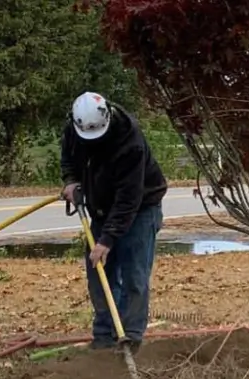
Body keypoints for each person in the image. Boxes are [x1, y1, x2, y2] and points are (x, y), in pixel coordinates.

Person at [60, 91, 168, 352]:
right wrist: (71, 181)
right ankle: (105, 336)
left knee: (134, 276)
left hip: (140, 208)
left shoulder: (129, 140)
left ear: (107, 117)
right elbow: (69, 159)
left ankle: (130, 338)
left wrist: (107, 240)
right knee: (100, 274)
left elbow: (129, 198)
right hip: (100, 208)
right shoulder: (74, 129)